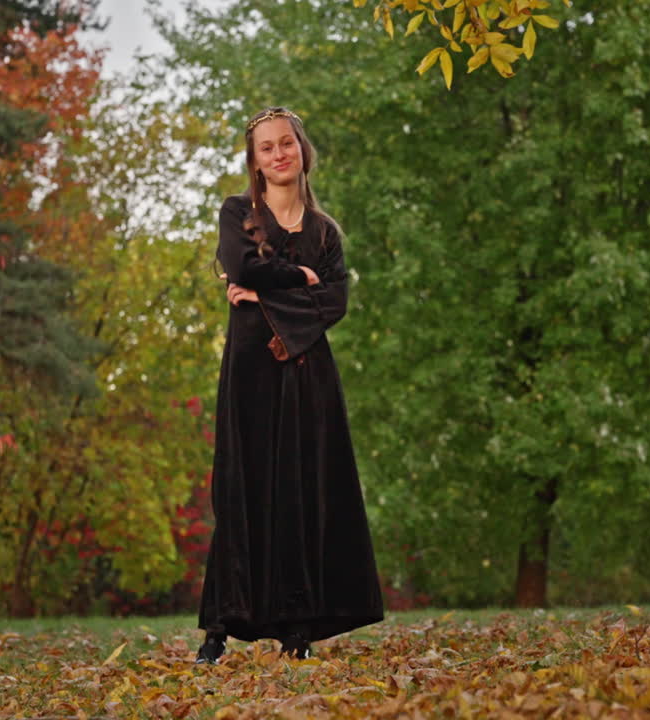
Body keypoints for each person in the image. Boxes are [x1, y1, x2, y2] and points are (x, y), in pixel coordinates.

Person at [195, 107, 384, 664]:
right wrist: (294, 279)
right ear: (254, 161)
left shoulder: (325, 232)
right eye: (266, 148)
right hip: (251, 372)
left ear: (302, 148)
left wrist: (264, 294)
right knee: (242, 487)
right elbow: (239, 264)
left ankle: (297, 626)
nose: (278, 154)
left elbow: (336, 302)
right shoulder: (241, 215)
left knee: (300, 489)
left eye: (286, 144)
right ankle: (219, 629)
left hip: (306, 376)